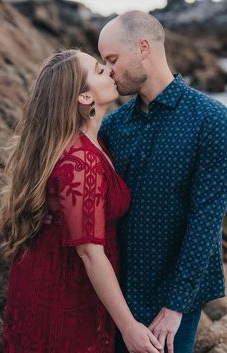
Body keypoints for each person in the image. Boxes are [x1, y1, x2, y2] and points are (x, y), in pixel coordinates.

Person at [0, 49, 162, 353]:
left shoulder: (93, 142)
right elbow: (90, 252)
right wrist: (129, 327)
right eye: (100, 71)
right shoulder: (79, 160)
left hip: (64, 286)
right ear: (84, 98)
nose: (110, 72)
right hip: (65, 299)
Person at [98, 11, 227, 353]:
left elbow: (206, 219)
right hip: (119, 295)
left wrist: (175, 307)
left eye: (112, 59)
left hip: (175, 300)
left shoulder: (212, 120)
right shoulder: (113, 127)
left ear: (143, 48)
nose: (108, 71)